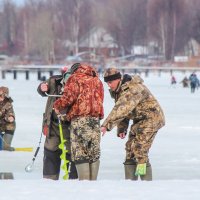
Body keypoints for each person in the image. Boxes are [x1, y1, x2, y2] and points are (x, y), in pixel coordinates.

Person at [101, 68, 165, 181]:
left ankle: (146, 184)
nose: (109, 85)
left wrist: (106, 125)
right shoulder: (119, 90)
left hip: (151, 118)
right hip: (139, 120)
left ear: (118, 79)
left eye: (110, 82)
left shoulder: (132, 88)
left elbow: (122, 109)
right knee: (130, 149)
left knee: (140, 149)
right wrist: (122, 128)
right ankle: (130, 184)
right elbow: (125, 112)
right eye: (107, 83)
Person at [53, 63, 104, 181]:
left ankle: (85, 183)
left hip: (80, 119)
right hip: (95, 120)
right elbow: (100, 99)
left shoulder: (75, 78)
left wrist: (57, 105)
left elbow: (68, 97)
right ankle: (93, 183)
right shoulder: (97, 80)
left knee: (80, 151)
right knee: (93, 151)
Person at [37, 66, 78, 180]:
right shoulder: (53, 80)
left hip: (70, 126)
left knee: (72, 152)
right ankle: (49, 180)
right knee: (50, 150)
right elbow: (41, 90)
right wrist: (42, 88)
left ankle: (72, 181)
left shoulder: (80, 85)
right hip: (53, 125)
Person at [0, 86, 16, 151]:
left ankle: (6, 145)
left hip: (2, 122)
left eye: (1, 96)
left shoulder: (8, 104)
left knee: (11, 124)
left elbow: (10, 112)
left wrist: (10, 117)